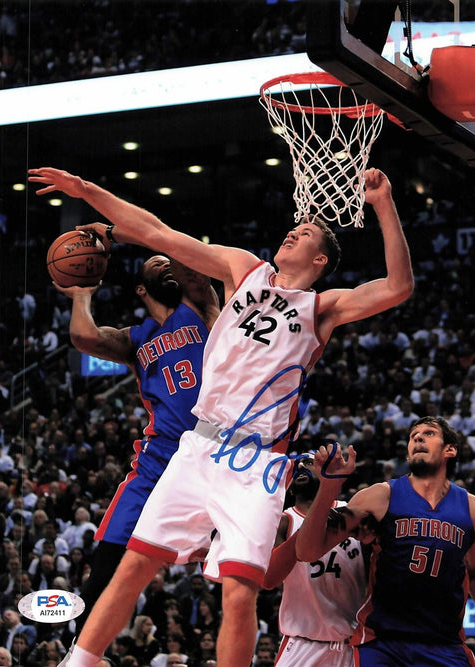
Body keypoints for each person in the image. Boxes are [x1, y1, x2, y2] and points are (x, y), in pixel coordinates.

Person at [29, 164, 414, 667]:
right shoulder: (242, 268)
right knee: (136, 564)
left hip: (255, 463)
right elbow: (157, 232)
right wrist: (86, 192)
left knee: (239, 591)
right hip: (198, 444)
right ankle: (77, 662)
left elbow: (398, 286)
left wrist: (383, 205)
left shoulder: (322, 307)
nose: (292, 232)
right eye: (292, 228)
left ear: (319, 258)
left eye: (304, 234)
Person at [54, 254, 219, 628]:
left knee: (238, 562)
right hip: (160, 454)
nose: (166, 264)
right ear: (141, 288)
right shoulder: (136, 338)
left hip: (217, 448)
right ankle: (80, 649)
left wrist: (141, 239)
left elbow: (193, 269)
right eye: (155, 264)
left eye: (169, 262)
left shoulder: (202, 307)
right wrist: (82, 295)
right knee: (110, 553)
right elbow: (85, 337)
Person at [296, 416, 475, 667]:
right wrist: (329, 487)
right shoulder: (379, 497)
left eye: (429, 433)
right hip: (382, 642)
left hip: (444, 644)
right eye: (413, 435)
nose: (417, 437)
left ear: (450, 449)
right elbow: (307, 550)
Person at [262, 453, 366, 666]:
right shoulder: (282, 522)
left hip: (352, 644)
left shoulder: (352, 512)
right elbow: (269, 580)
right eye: (297, 465)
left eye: (309, 463)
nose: (301, 466)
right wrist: (310, 530)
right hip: (301, 644)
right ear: (289, 487)